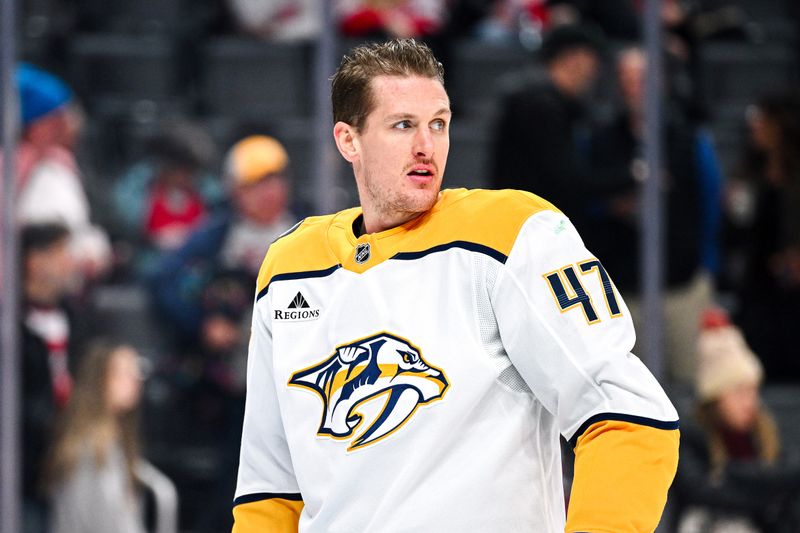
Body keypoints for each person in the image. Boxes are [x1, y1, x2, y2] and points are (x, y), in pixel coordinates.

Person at [232, 39, 679, 532]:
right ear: (348, 140)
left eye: (438, 124)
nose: (426, 145)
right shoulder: (288, 267)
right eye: (403, 125)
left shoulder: (513, 232)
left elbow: (629, 417)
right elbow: (270, 491)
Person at [586, 47, 712, 384]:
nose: (633, 87)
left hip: (682, 287)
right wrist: (615, 204)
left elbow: (710, 202)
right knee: (632, 392)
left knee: (691, 384)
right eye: (626, 79)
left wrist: (708, 268)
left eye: (641, 78)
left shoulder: (687, 138)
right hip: (623, 291)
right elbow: (583, 200)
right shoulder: (601, 140)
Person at [151, 134, 297, 342]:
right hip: (233, 349)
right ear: (235, 189)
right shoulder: (217, 233)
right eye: (256, 184)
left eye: (275, 181)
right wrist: (202, 323)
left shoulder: (305, 228)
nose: (269, 192)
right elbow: (164, 277)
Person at [490, 24, 632, 229]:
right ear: (574, 59)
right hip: (531, 227)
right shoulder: (540, 106)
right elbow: (566, 180)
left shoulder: (551, 103)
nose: (594, 72)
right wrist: (631, 175)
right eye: (592, 60)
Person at [674, 309, 800, 532]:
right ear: (716, 397)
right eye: (739, 392)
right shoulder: (691, 435)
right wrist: (767, 491)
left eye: (753, 391)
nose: (750, 402)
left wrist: (734, 477)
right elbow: (699, 490)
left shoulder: (764, 431)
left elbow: (788, 475)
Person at [42, 341, 176, 533]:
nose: (134, 378)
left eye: (135, 370)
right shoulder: (89, 449)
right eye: (122, 372)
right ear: (98, 380)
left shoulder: (113, 441)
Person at [15, 63, 111, 280]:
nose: (72, 126)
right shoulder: (13, 166)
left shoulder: (59, 163)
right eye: (58, 120)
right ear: (38, 126)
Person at [19, 223, 82, 533]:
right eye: (61, 252)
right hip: (24, 472)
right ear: (34, 261)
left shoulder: (73, 316)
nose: (71, 261)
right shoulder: (13, 329)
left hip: (68, 466)